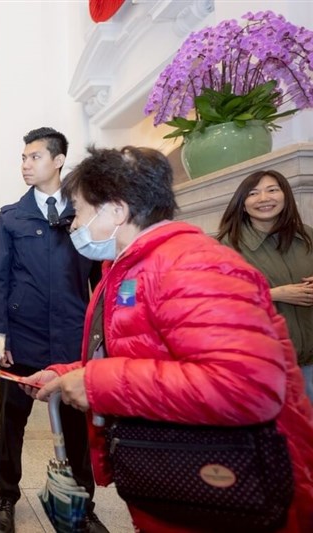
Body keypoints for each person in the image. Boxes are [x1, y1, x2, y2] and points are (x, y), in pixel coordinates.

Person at [24, 146, 313, 532]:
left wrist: (96, 383)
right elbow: (143, 350)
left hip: (233, 491)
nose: (72, 224)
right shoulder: (130, 265)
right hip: (180, 478)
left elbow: (247, 388)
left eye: (77, 210)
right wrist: (67, 375)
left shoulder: (193, 265)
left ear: (116, 210)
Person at [0, 127, 103, 533]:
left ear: (57, 161)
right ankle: (6, 494)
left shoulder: (84, 211)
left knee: (75, 425)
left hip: (72, 338)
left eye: (34, 156)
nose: (25, 164)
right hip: (22, 338)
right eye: (22, 157)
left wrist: (97, 341)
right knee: (11, 422)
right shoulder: (12, 216)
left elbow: (99, 281)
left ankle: (83, 503)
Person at [218, 170, 313, 402]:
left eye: (272, 190)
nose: (264, 198)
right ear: (242, 204)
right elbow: (219, 301)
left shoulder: (307, 235)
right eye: (254, 193)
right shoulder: (227, 246)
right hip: (268, 363)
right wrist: (275, 294)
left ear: (285, 196)